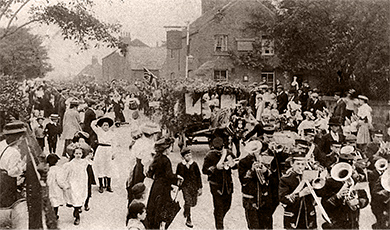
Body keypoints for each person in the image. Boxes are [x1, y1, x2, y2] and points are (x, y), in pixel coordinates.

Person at [238, 140, 280, 230]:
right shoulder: (243, 162)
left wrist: (266, 171)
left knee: (267, 226)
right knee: (254, 226)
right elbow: (243, 181)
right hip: (251, 200)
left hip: (265, 199)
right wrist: (252, 171)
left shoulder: (268, 160)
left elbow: (274, 180)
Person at [145, 136, 182, 230]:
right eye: (170, 148)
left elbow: (150, 174)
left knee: (154, 207)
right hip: (163, 188)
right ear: (166, 149)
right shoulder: (166, 160)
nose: (170, 150)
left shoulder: (157, 158)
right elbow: (168, 176)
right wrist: (177, 177)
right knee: (163, 208)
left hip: (156, 186)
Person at [202, 137, 237, 230]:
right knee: (218, 208)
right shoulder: (209, 155)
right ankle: (219, 226)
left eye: (220, 149)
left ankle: (219, 217)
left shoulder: (228, 153)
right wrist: (214, 168)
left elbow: (235, 166)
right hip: (216, 186)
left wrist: (231, 164)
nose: (218, 151)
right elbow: (204, 170)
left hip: (228, 185)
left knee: (227, 206)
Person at [0, 121, 28, 229]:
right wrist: (21, 166)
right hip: (6, 179)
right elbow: (12, 172)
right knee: (7, 201)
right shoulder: (14, 152)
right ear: (18, 137)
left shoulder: (2, 144)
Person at [279, 153, 317, 229]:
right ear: (292, 164)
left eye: (303, 164)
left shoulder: (310, 176)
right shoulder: (286, 179)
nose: (300, 167)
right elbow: (283, 199)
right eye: (298, 164)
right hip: (293, 216)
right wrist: (300, 194)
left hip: (308, 216)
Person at [63, 143, 93, 225]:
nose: (78, 155)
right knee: (75, 196)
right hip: (73, 182)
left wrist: (88, 152)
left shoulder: (84, 162)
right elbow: (66, 173)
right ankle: (77, 216)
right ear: (73, 154)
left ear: (82, 154)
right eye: (76, 153)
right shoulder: (70, 164)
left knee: (80, 197)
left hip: (82, 182)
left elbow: (90, 154)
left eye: (80, 153)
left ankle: (77, 209)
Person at [176, 148, 202, 228]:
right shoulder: (180, 165)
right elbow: (177, 175)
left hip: (194, 186)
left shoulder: (194, 164)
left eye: (190, 155)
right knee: (188, 201)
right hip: (185, 186)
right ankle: (188, 218)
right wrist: (178, 185)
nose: (189, 157)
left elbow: (198, 176)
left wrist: (200, 187)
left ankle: (186, 209)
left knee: (193, 203)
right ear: (183, 157)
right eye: (187, 156)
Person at [91, 117, 116, 193]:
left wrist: (114, 153)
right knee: (100, 166)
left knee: (108, 166)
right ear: (101, 126)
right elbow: (92, 124)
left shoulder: (112, 133)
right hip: (101, 149)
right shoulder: (99, 131)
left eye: (107, 125)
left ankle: (108, 185)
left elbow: (114, 144)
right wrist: (99, 119)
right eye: (104, 125)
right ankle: (101, 185)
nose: (105, 127)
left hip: (108, 150)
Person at [46, 153, 67, 219]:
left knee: (51, 201)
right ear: (57, 161)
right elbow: (60, 181)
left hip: (49, 187)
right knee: (55, 203)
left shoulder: (47, 169)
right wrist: (64, 186)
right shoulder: (58, 170)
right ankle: (54, 215)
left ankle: (50, 215)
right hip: (55, 188)